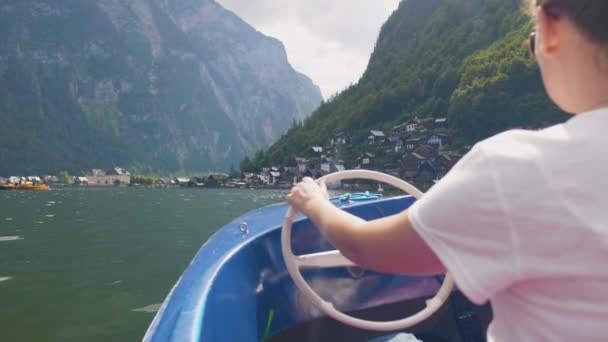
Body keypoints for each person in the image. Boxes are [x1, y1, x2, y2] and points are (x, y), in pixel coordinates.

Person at [287, 1, 608, 341]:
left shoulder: (516, 169)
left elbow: (362, 248)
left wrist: (314, 203)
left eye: (532, 43)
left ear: (550, 28)